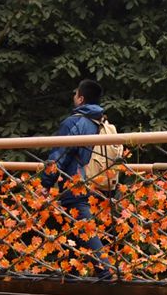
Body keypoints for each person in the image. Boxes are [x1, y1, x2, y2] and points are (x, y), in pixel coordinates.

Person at [40, 78, 119, 275]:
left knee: (81, 224)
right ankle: (73, 273)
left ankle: (106, 273)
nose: (73, 97)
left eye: (75, 94)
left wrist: (46, 183)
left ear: (81, 99)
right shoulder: (105, 123)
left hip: (79, 185)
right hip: (103, 186)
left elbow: (61, 154)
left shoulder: (74, 122)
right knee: (75, 226)